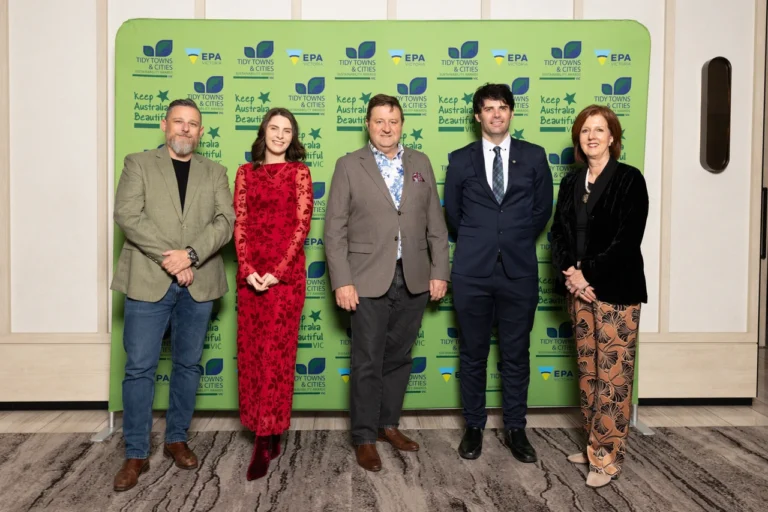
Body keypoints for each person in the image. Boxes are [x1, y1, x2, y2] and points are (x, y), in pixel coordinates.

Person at [111, 98, 235, 491]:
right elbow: (128, 215)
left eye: (192, 124)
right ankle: (136, 452)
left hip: (199, 282)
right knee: (139, 368)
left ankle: (176, 438)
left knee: (188, 365)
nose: (185, 128)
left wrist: (191, 255)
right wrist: (174, 259)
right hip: (149, 279)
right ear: (165, 125)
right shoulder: (138, 163)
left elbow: (226, 221)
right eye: (178, 121)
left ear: (201, 131)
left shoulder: (215, 172)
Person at [324, 94, 450, 472]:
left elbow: (436, 225)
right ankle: (364, 436)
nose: (386, 128)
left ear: (402, 124)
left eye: (393, 121)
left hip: (413, 276)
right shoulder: (349, 165)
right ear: (367, 124)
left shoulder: (420, 162)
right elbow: (334, 230)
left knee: (399, 358)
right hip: (366, 278)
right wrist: (342, 281)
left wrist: (439, 271)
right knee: (367, 360)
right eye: (379, 121)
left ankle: (387, 425)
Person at [444, 83, 553, 463]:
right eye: (488, 108)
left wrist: (511, 240)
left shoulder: (534, 156)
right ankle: (474, 427)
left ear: (511, 112)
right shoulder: (460, 160)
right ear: (477, 115)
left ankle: (516, 428)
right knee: (473, 354)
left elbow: (542, 211)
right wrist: (483, 241)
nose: (496, 114)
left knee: (516, 355)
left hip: (518, 271)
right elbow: (453, 214)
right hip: (472, 272)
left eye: (502, 107)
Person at [550, 104, 648, 488]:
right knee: (589, 374)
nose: (591, 136)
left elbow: (627, 241)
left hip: (616, 292)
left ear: (612, 138)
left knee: (613, 378)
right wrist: (572, 275)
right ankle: (593, 444)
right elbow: (558, 234)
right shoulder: (571, 182)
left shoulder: (629, 179)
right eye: (585, 130)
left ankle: (607, 458)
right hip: (579, 291)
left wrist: (586, 273)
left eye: (599, 129)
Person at [234, 108, 312, 481]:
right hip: (250, 279)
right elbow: (240, 222)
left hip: (286, 279)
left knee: (276, 359)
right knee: (253, 358)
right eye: (274, 128)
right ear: (263, 131)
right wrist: (248, 269)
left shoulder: (299, 173)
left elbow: (301, 225)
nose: (280, 135)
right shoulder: (245, 173)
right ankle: (268, 429)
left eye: (287, 130)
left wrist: (277, 272)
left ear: (293, 137)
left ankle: (264, 441)